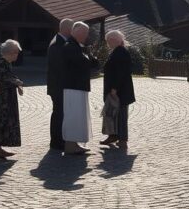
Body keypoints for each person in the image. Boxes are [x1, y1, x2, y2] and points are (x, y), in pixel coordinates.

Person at [62, 21, 98, 155]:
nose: (86, 36)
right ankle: (70, 145)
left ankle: (75, 143)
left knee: (79, 116)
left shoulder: (77, 46)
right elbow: (84, 63)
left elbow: (94, 63)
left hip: (78, 86)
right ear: (76, 32)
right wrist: (88, 55)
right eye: (84, 33)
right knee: (73, 116)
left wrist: (88, 55)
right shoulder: (70, 46)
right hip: (73, 87)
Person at [0, 39, 24, 160]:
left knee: (4, 122)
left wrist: (16, 82)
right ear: (11, 52)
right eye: (17, 52)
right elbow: (2, 79)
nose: (17, 55)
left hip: (5, 100)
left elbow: (9, 76)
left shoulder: (6, 63)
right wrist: (16, 82)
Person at [101, 30, 136, 149]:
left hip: (120, 91)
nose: (107, 44)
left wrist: (114, 88)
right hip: (117, 89)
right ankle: (113, 135)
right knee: (112, 114)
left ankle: (122, 139)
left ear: (114, 40)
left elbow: (121, 72)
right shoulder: (117, 51)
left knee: (121, 115)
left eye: (108, 41)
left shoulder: (120, 52)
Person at [47, 18, 74, 151]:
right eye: (72, 29)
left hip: (58, 86)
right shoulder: (58, 43)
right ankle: (57, 142)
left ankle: (58, 140)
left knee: (59, 113)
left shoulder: (60, 41)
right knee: (58, 114)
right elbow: (59, 67)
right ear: (67, 29)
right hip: (58, 86)